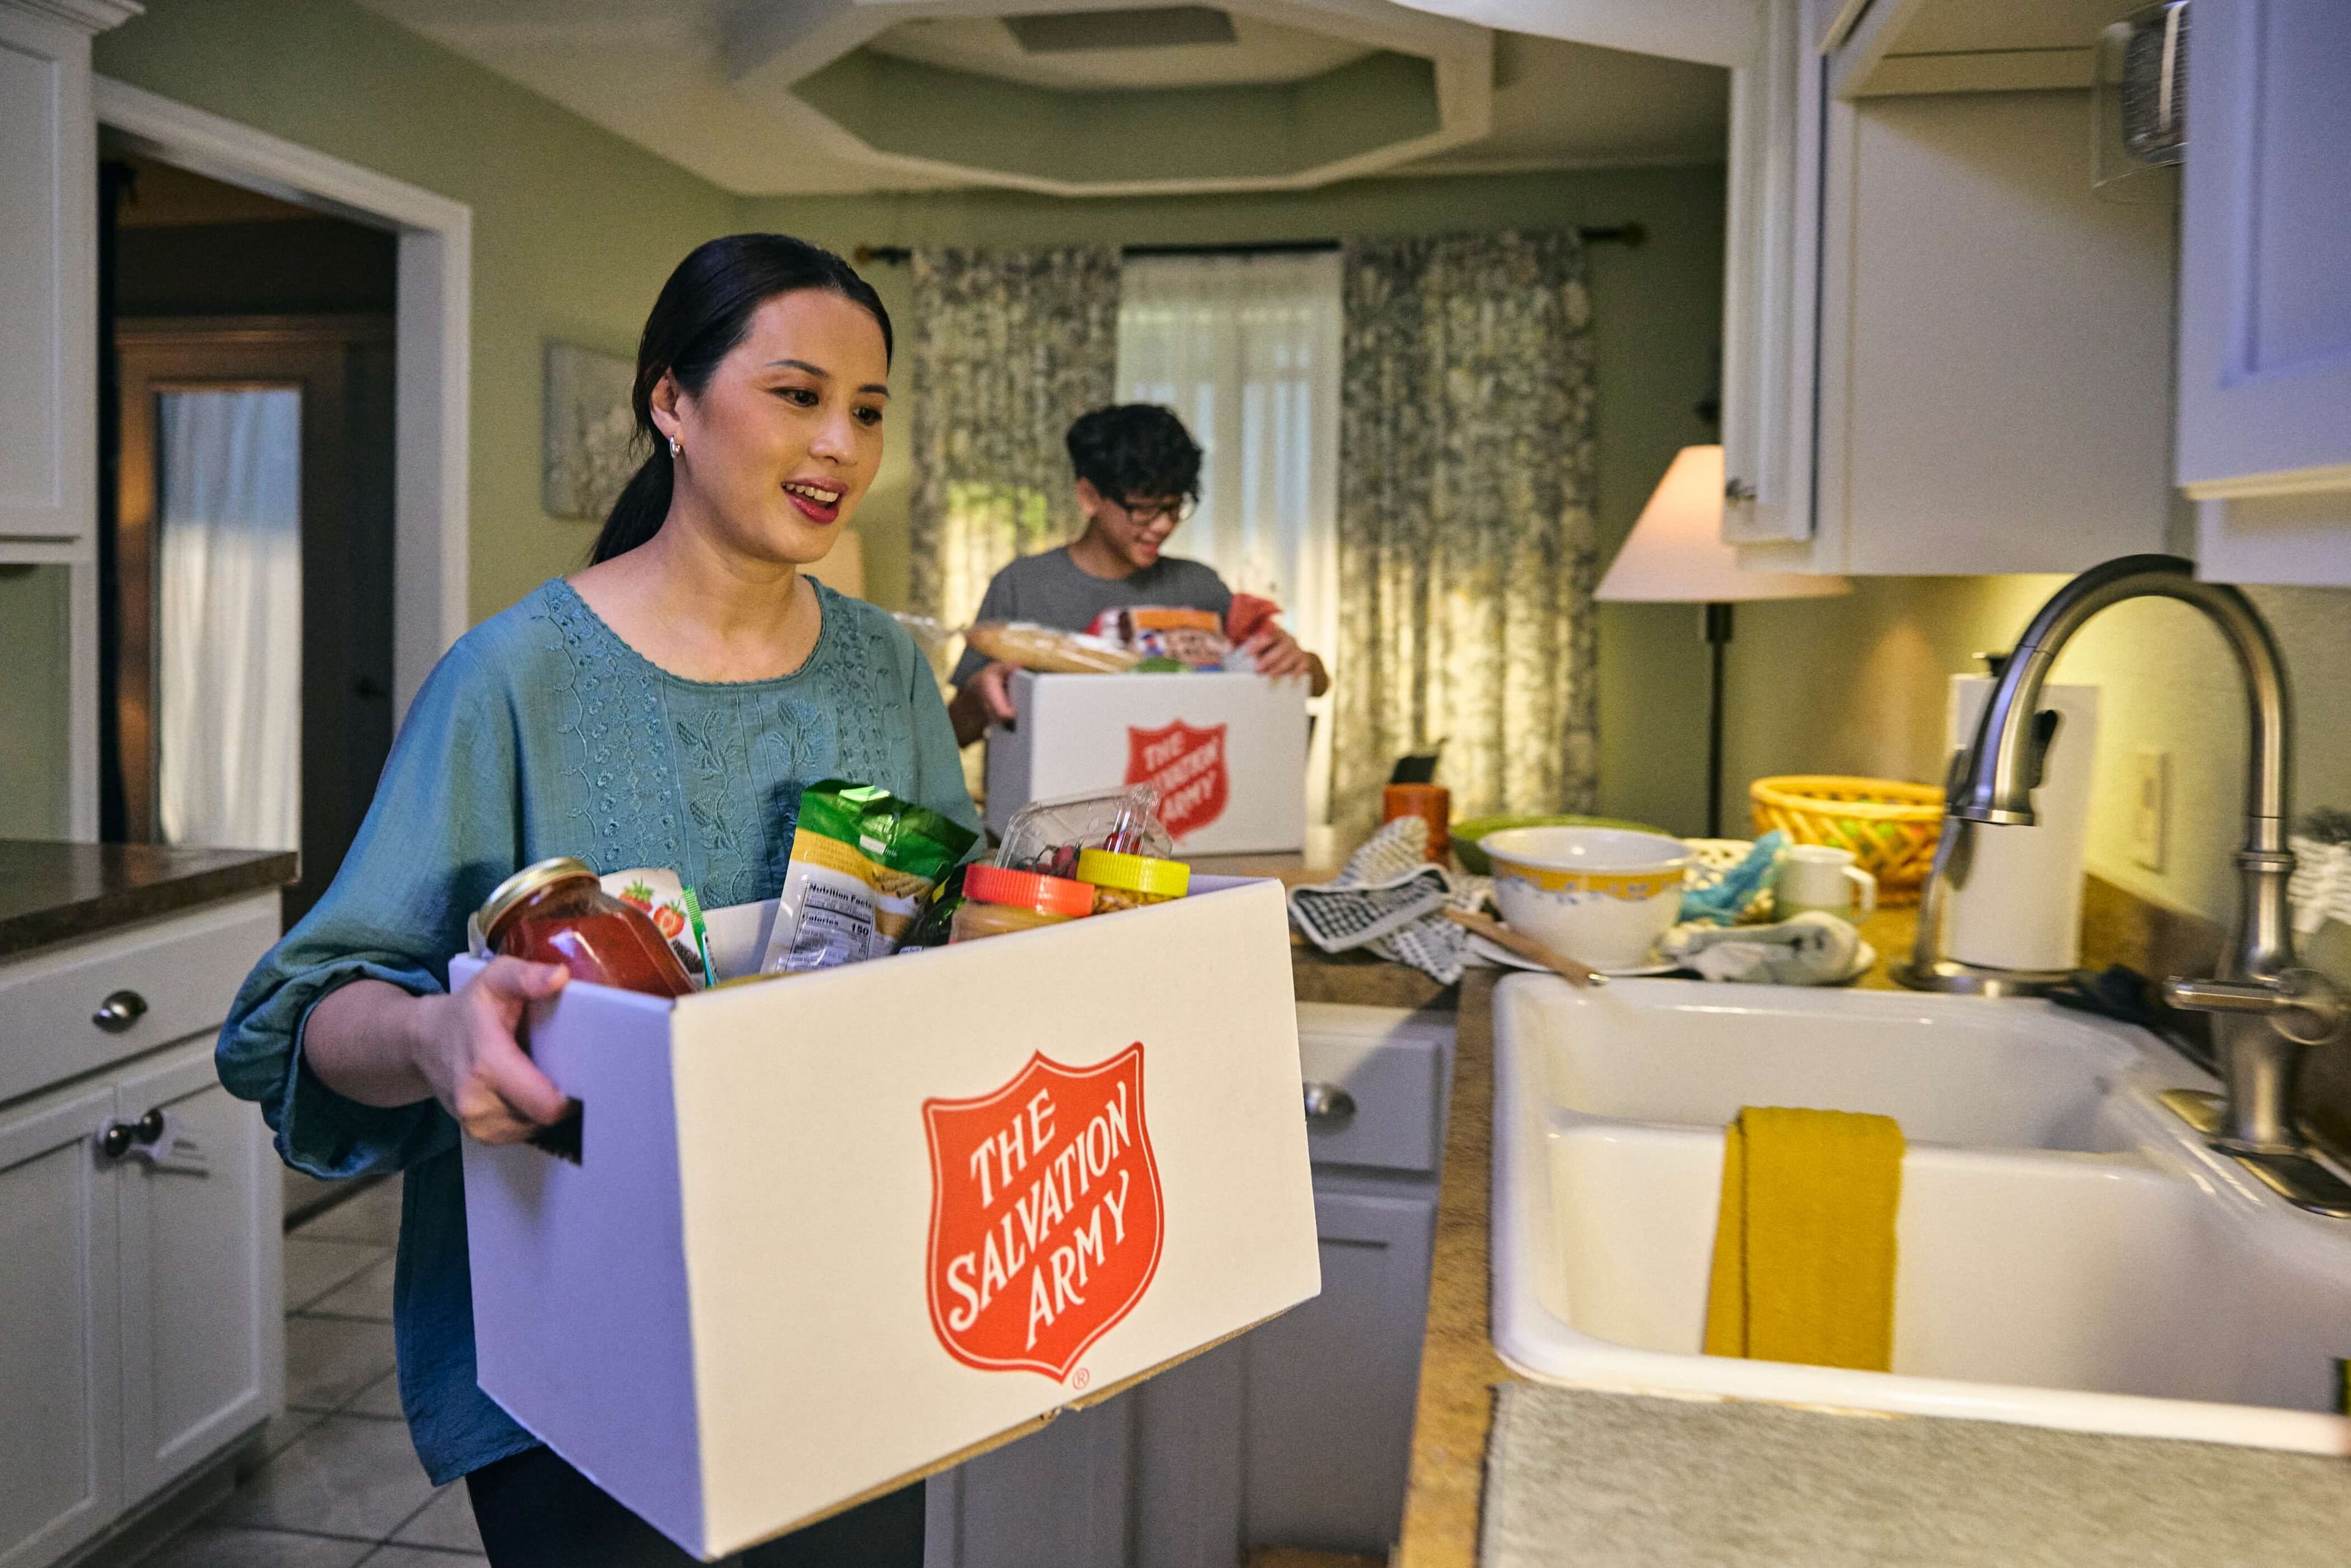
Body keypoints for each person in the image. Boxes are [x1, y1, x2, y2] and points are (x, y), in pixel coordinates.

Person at [216, 235, 971, 1567]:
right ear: (670, 401)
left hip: (847, 1304)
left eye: (866, 410)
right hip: (585, 1343)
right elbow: (300, 1015)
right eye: (797, 394)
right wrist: (434, 1037)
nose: (840, 444)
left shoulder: (890, 669)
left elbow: (948, 932)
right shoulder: (512, 679)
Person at [945, 403, 1329, 747]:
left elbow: (1315, 683)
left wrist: (1300, 662)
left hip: (1172, 806)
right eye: (1144, 509)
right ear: (1090, 498)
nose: (1163, 526)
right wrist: (979, 699)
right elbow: (952, 735)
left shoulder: (1200, 588)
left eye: (1175, 507)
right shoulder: (1023, 585)